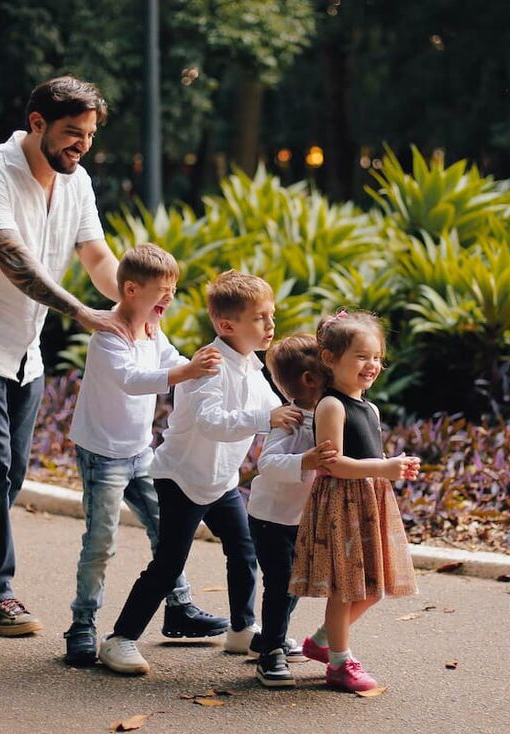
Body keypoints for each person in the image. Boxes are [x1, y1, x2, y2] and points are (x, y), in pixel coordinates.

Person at [0, 76, 135, 636]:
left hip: (22, 350)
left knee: (9, 475)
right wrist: (83, 314)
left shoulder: (77, 181)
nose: (81, 145)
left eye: (88, 135)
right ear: (37, 123)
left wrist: (134, 302)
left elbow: (96, 255)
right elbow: (12, 256)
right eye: (71, 133)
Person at [97, 270, 304, 675]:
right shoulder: (207, 366)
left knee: (244, 553)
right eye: (261, 317)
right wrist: (268, 418)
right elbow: (214, 422)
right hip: (181, 479)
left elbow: (279, 405)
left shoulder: (250, 365)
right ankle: (119, 639)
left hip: (220, 482)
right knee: (169, 563)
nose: (271, 325)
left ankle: (243, 630)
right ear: (227, 325)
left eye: (272, 315)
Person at [64, 244, 229, 666]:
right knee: (101, 541)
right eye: (162, 291)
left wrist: (203, 366)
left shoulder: (154, 330)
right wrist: (186, 372)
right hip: (103, 455)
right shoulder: (109, 335)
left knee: (166, 530)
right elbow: (133, 380)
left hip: (140, 452)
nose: (169, 299)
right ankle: (82, 624)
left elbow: (171, 361)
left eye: (173, 290)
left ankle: (180, 606)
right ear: (132, 289)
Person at [289, 309, 420, 693]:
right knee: (345, 589)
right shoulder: (332, 405)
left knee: (373, 586)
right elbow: (333, 464)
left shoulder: (370, 407)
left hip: (369, 500)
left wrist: (392, 467)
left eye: (377, 356)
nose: (372, 365)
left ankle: (322, 642)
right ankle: (339, 664)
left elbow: (367, 455)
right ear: (330, 359)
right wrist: (383, 468)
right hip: (342, 503)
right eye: (361, 356)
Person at [247, 333, 337, 687]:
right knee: (281, 583)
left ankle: (270, 634)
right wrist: (306, 459)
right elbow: (267, 463)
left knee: (295, 584)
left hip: (302, 518)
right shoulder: (292, 419)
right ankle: (269, 653)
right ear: (310, 380)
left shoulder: (329, 414)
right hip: (271, 518)